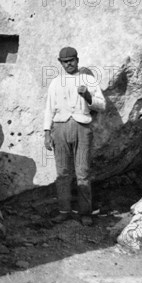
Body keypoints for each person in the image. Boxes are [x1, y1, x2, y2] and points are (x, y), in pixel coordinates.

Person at [43, 47, 106, 226]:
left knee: (83, 172)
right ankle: (64, 211)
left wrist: (87, 95)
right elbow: (49, 109)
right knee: (63, 172)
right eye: (65, 61)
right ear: (60, 63)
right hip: (60, 128)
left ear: (77, 60)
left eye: (72, 60)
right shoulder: (55, 82)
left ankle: (85, 213)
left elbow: (102, 105)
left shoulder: (88, 79)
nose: (69, 63)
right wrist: (47, 133)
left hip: (82, 127)